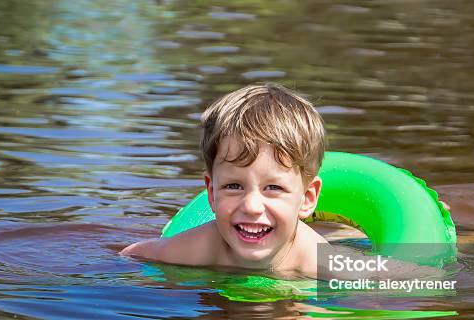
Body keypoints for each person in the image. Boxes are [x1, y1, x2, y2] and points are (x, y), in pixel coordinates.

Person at [121, 84, 327, 277]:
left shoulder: (321, 263)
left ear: (307, 198)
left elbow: (359, 285)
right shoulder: (196, 249)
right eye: (234, 186)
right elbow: (132, 254)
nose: (252, 207)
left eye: (273, 187)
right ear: (211, 192)